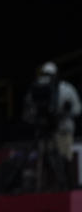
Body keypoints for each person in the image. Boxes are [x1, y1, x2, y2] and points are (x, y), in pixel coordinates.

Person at [23, 61, 81, 189]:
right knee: (46, 161)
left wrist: (65, 112)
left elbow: (77, 109)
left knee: (64, 159)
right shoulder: (36, 89)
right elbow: (29, 109)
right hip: (45, 129)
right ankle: (46, 188)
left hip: (62, 130)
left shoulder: (66, 89)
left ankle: (67, 187)